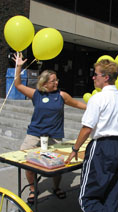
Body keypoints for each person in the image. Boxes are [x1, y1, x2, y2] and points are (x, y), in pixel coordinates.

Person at [13, 53, 86, 204]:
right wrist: (19, 66)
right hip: (35, 134)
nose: (57, 82)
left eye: (56, 79)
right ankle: (33, 189)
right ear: (45, 83)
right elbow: (18, 85)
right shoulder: (36, 94)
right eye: (53, 81)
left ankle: (56, 187)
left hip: (54, 135)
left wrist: (97, 108)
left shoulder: (62, 95)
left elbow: (79, 105)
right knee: (27, 162)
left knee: (56, 165)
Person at [66, 59, 118, 212]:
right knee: (112, 191)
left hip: (103, 147)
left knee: (87, 198)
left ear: (106, 77)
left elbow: (87, 128)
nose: (93, 78)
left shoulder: (98, 98)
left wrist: (75, 148)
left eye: (96, 75)